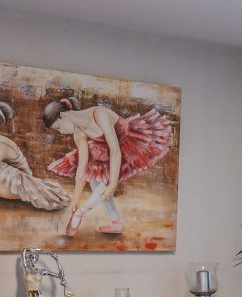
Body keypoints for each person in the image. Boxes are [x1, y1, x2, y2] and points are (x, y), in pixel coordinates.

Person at [42, 95, 176, 235]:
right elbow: (82, 168)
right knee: (95, 181)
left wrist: (113, 183)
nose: (61, 133)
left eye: (58, 128)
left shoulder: (99, 114)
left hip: (125, 143)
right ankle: (116, 223)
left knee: (105, 182)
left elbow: (115, 150)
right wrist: (75, 199)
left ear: (63, 115)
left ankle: (82, 211)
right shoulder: (78, 133)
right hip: (105, 149)